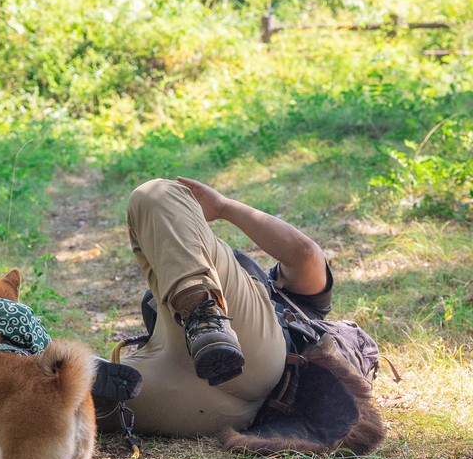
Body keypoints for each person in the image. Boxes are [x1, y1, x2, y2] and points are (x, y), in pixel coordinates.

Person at [94, 177, 334, 438]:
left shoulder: (290, 298)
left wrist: (223, 208)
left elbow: (307, 254)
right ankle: (69, 388)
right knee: (67, 392)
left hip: (259, 358)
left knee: (156, 193)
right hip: (210, 409)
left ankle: (206, 316)